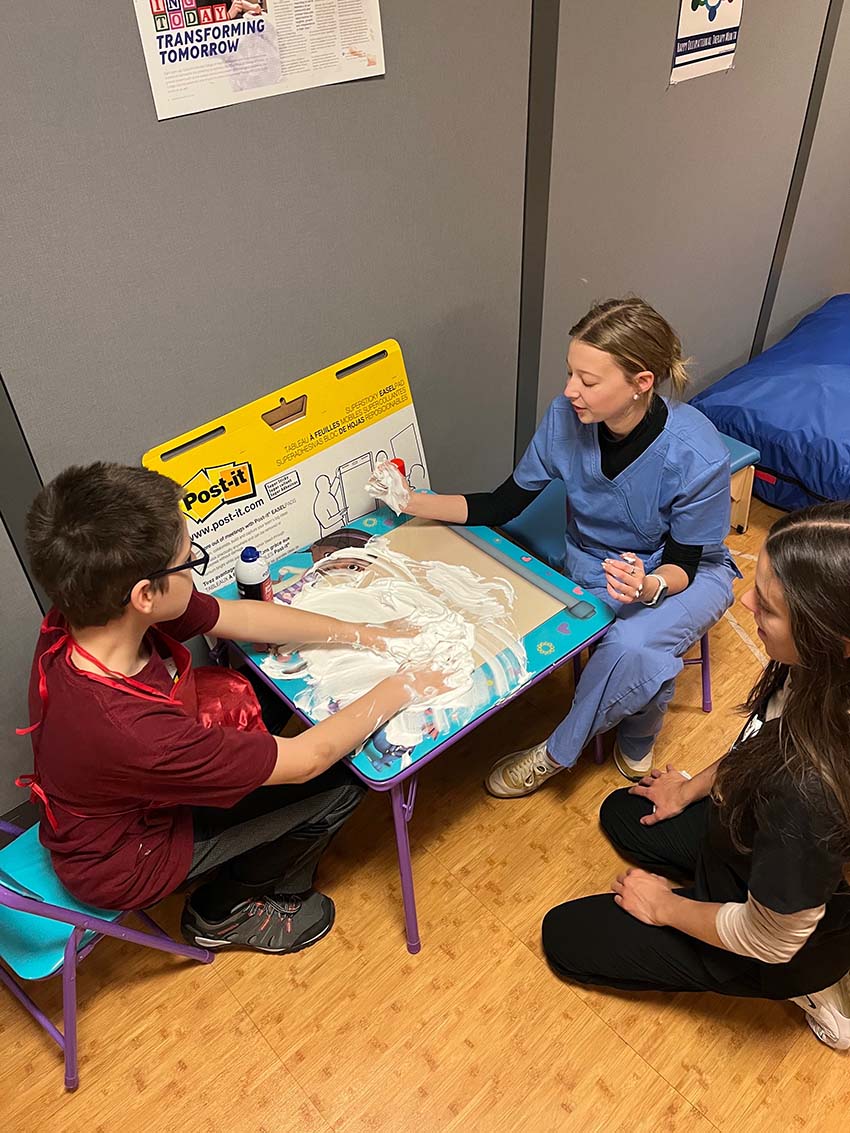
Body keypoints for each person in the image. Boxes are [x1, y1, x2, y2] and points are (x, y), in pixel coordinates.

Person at [19, 463, 447, 954]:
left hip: (131, 796)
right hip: (133, 858)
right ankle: (221, 912)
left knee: (268, 700)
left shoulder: (87, 612)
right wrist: (405, 683)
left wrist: (361, 634)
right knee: (347, 781)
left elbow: (234, 614)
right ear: (143, 595)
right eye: (188, 562)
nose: (194, 570)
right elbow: (306, 760)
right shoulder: (132, 730)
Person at [369, 297, 737, 797]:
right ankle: (640, 721)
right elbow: (502, 504)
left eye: (588, 381)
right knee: (643, 656)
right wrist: (412, 500)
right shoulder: (566, 417)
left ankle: (553, 754)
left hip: (683, 574)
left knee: (632, 645)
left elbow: (685, 563)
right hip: (595, 560)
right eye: (570, 373)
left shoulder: (697, 452)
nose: (569, 391)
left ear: (641, 383)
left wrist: (648, 587)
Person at [542, 502, 850, 1050]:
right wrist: (686, 789)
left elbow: (771, 937)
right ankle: (727, 889)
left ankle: (817, 984)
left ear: (832, 635)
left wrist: (666, 907)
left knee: (566, 936)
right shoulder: (817, 670)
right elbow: (767, 739)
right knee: (626, 812)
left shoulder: (810, 789)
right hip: (765, 837)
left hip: (788, 937)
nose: (746, 602)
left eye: (771, 608)